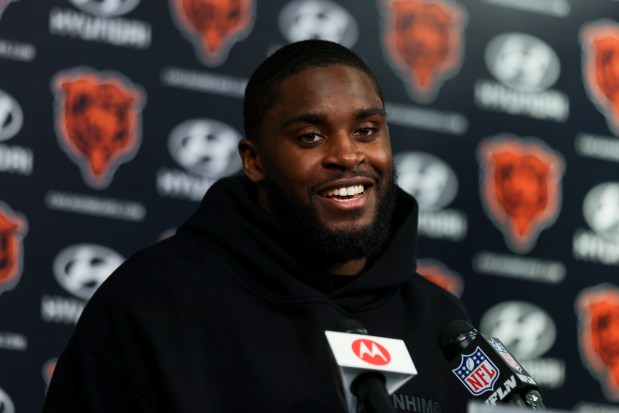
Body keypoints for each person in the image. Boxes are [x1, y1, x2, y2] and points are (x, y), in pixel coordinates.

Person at [42, 39, 471, 413]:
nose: (347, 154)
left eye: (365, 130)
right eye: (310, 137)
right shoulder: (152, 302)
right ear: (255, 160)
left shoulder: (444, 325)